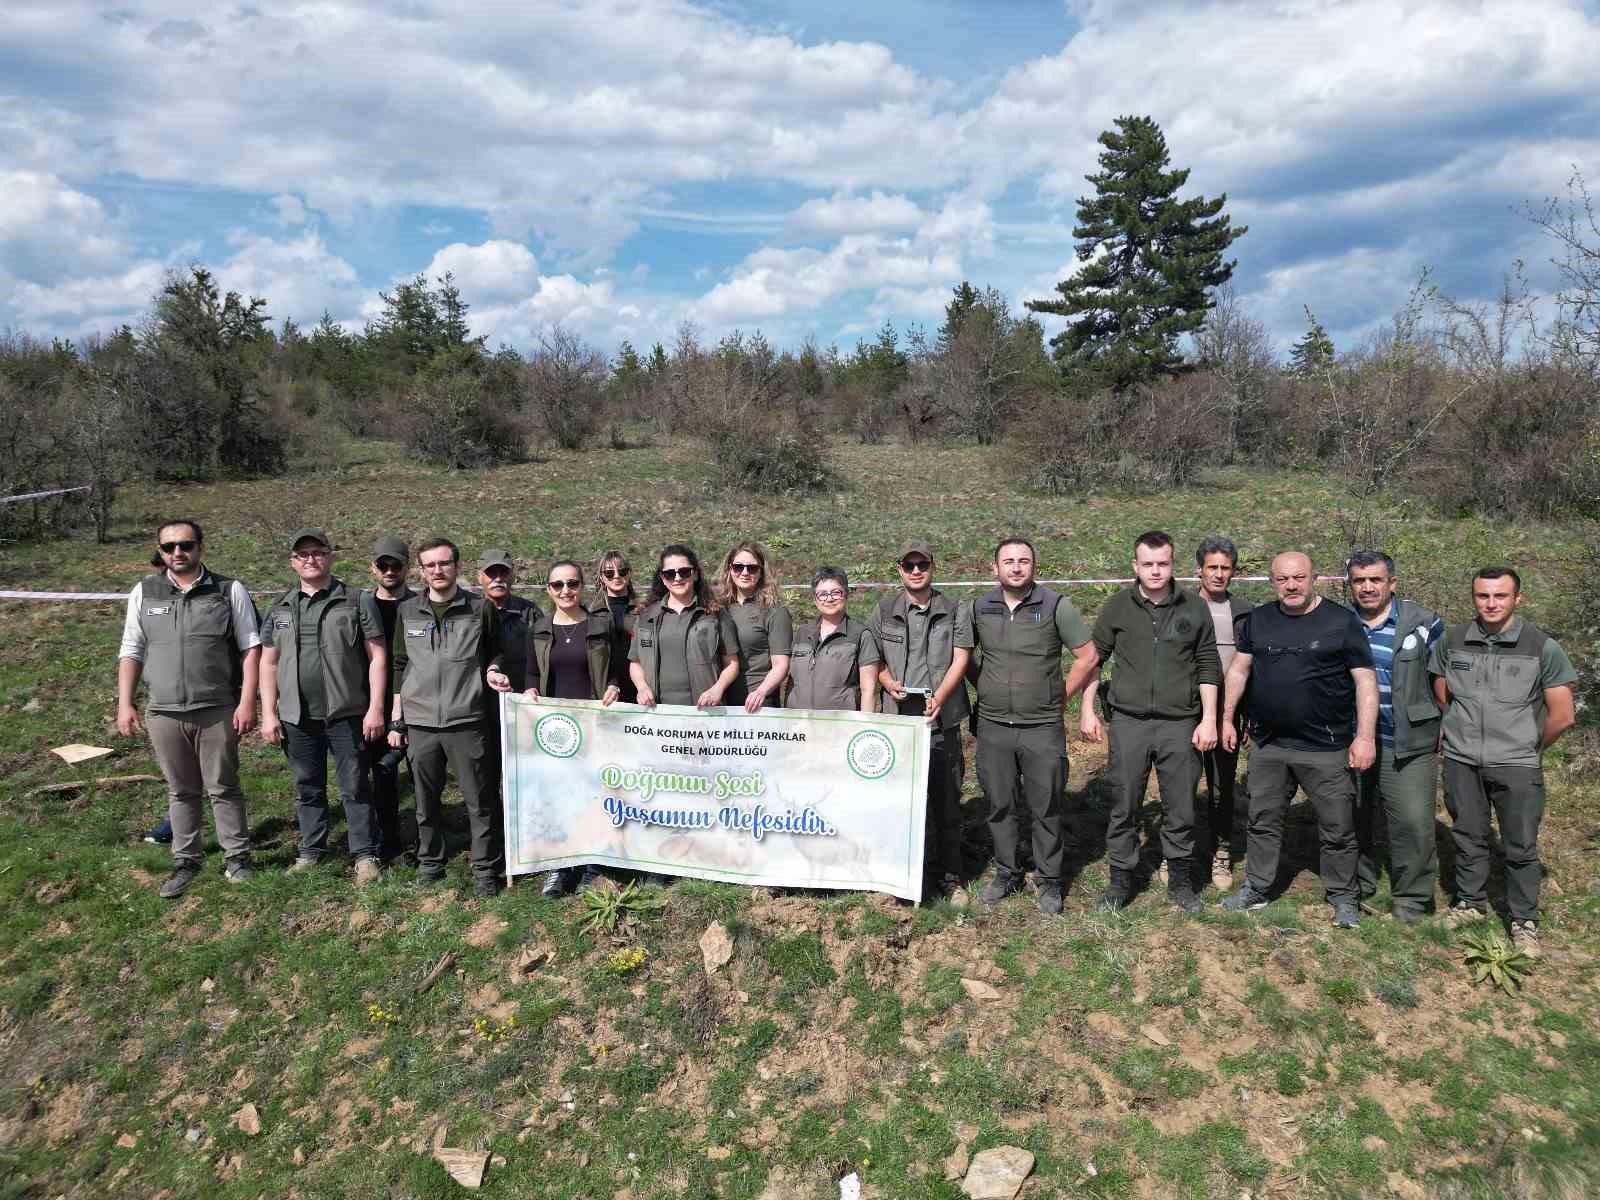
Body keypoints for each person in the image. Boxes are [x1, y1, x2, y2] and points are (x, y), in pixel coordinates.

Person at [1219, 552, 1377, 928]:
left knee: (1337, 826)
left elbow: (1365, 681)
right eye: (1283, 579)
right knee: (1262, 820)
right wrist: (1227, 718)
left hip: (1326, 746)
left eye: (1299, 578)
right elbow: (1239, 670)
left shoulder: (1341, 621)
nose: (1291, 585)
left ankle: (1343, 896)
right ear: (1272, 581)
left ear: (1314, 578)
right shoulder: (1259, 619)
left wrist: (1364, 737)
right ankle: (1257, 886)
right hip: (1269, 745)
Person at [1429, 566, 1577, 956]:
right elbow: (1443, 692)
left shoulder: (1541, 646)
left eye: (1500, 596)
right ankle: (1470, 904)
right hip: (1462, 760)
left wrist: (1529, 745)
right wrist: (1460, 732)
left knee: (1520, 845)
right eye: (1483, 596)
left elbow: (1562, 715)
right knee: (1468, 835)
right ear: (1473, 597)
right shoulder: (1454, 640)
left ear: (1517, 598)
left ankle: (1523, 920)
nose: (1491, 603)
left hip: (1517, 764)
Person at [116, 518, 261, 897]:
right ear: (161, 551)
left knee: (224, 787)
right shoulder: (144, 592)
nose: (177, 553)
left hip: (217, 708)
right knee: (181, 790)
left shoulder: (229, 590)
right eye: (169, 547)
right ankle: (186, 861)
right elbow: (131, 649)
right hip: (163, 712)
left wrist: (248, 700)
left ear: (200, 547)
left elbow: (251, 648)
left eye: (185, 545)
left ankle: (237, 858)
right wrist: (125, 703)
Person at [1080, 531, 1221, 914]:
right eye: (1148, 564)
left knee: (1181, 806)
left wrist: (1208, 719)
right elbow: (1095, 659)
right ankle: (1121, 881)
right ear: (1135, 566)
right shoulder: (1118, 607)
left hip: (1180, 723)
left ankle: (1180, 880)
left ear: (1172, 565)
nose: (1155, 571)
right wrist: (1087, 708)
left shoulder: (1194, 608)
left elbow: (1208, 664)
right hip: (1129, 722)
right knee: (1123, 803)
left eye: (1162, 564)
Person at [968, 537, 1098, 915]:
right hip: (993, 726)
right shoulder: (979, 608)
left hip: (1042, 727)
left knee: (1047, 806)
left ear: (1033, 567)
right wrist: (985, 684)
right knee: (1000, 804)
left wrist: (1061, 697)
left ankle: (1049, 880)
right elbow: (963, 657)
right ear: (995, 569)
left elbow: (1088, 656)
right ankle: (1007, 872)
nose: (1016, 566)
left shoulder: (1057, 606)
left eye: (1023, 560)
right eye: (1008, 561)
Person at [258, 529, 388, 885]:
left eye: (317, 552)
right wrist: (268, 713)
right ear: (292, 563)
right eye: (302, 555)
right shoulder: (281, 605)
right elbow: (268, 662)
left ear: (331, 557)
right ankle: (311, 851)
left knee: (355, 786)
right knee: (308, 786)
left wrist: (376, 708)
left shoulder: (356, 600)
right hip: (297, 718)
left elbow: (377, 656)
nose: (310, 559)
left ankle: (364, 855)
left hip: (346, 713)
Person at [492, 559, 623, 896]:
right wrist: (532, 690)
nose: (566, 591)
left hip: (594, 722)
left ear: (582, 586)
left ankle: (591, 865)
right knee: (557, 796)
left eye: (572, 584)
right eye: (557, 585)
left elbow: (615, 669)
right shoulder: (539, 628)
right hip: (555, 729)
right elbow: (533, 673)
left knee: (593, 793)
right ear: (549, 590)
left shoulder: (599, 625)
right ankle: (559, 866)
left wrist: (614, 686)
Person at [391, 538, 508, 897]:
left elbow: (497, 651)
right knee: (425, 802)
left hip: (467, 720)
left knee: (480, 801)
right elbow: (399, 665)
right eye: (430, 565)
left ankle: (486, 870)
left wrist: (493, 669)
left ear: (457, 566)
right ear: (421, 571)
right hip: (421, 721)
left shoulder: (480, 608)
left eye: (444, 563)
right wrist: (398, 718)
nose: (437, 570)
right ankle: (431, 862)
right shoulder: (407, 610)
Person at [1345, 550, 1445, 922]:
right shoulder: (1341, 623)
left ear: (1392, 583)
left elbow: (1443, 678)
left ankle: (1413, 897)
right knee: (1354, 816)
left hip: (1409, 741)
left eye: (1375, 579)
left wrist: (1445, 725)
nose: (1367, 587)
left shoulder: (1423, 623)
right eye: (1359, 580)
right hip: (1353, 739)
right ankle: (1356, 884)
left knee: (1413, 821)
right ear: (1350, 585)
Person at [871, 540, 973, 903]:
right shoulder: (883, 610)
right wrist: (886, 682)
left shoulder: (956, 609)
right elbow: (873, 659)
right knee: (902, 804)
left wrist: (940, 699)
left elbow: (961, 658)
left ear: (933, 566)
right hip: (899, 725)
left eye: (922, 564)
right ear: (898, 568)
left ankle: (950, 877)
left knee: (946, 802)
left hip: (940, 721)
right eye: (909, 565)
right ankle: (905, 878)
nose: (916, 571)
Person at [1192, 536, 1253, 891]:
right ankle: (1177, 852)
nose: (1218, 574)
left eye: (1225, 568)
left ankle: (1221, 850)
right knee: (1181, 785)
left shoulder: (1243, 611)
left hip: (1227, 715)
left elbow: (1250, 666)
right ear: (1199, 569)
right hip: (1186, 712)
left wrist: (1245, 715)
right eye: (1211, 567)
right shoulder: (1182, 605)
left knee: (1222, 787)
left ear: (1233, 571)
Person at [628, 544, 740, 710]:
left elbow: (732, 664)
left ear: (695, 574)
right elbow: (635, 663)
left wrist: (717, 689)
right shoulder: (646, 616)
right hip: (657, 715)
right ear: (663, 578)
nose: (677, 578)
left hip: (703, 713)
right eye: (670, 574)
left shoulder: (715, 614)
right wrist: (642, 687)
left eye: (684, 572)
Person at [364, 537, 416, 862]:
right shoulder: (361, 606)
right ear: (373, 568)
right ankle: (389, 841)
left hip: (417, 701)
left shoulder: (420, 605)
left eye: (396, 564)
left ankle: (425, 841)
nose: (390, 571)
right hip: (373, 704)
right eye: (383, 565)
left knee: (421, 776)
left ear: (407, 568)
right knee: (382, 775)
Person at [713, 541, 793, 711]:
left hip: (758, 704)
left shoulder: (775, 611)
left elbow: (781, 664)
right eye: (738, 567)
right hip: (719, 701)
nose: (745, 572)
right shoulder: (716, 608)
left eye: (752, 568)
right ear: (729, 569)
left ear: (761, 571)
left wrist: (761, 692)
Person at [787, 567, 880, 713]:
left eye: (836, 593)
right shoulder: (802, 633)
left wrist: (863, 727)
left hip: (840, 726)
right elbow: (792, 682)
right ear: (815, 600)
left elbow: (869, 690)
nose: (829, 599)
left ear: (846, 594)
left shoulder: (861, 635)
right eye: (822, 594)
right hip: (800, 725)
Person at [593, 550, 640, 703]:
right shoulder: (591, 613)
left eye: (622, 571)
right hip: (605, 690)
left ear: (629, 573)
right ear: (601, 577)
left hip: (641, 689)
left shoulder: (645, 611)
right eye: (609, 573)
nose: (616, 576)